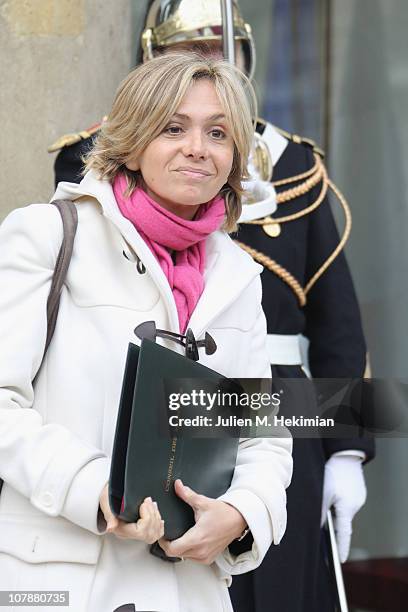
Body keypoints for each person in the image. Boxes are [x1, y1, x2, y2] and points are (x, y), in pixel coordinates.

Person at [48, 1, 375, 610]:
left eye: (222, 51)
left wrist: (347, 449)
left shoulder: (295, 164)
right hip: (142, 416)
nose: (196, 147)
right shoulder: (86, 168)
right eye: (190, 52)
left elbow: (337, 319)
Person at [0, 54, 293, 612]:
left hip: (191, 590)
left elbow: (263, 436)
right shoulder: (46, 235)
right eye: (173, 127)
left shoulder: (239, 275)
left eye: (218, 133)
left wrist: (241, 513)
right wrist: (98, 492)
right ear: (132, 140)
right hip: (61, 583)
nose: (197, 148)